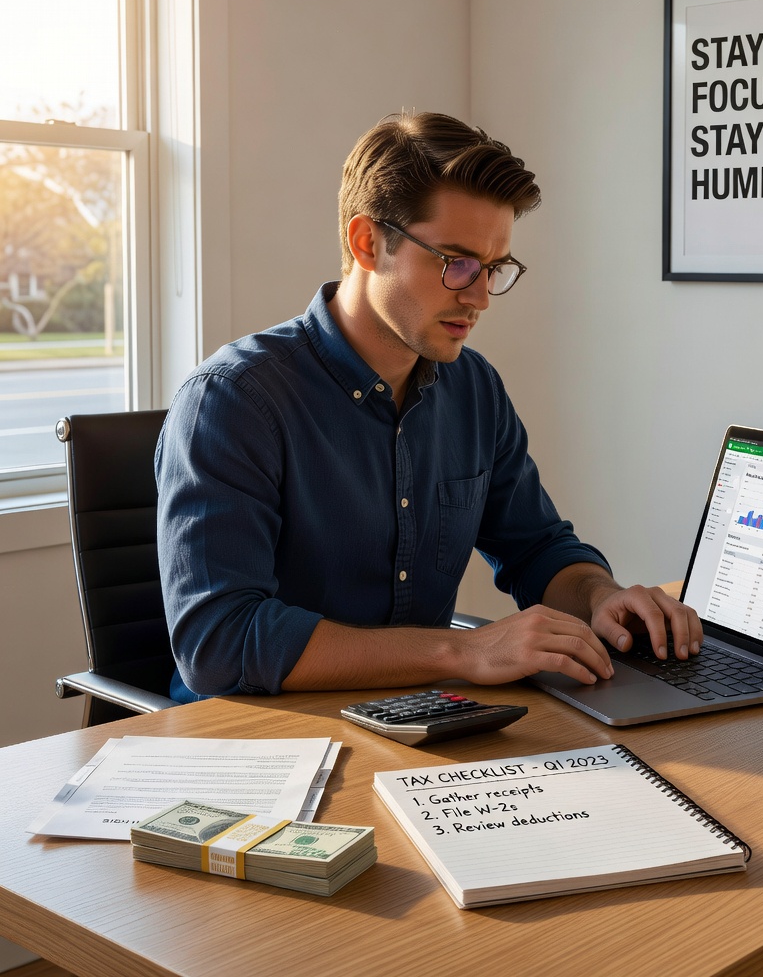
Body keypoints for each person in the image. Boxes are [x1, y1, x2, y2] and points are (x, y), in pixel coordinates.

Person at [156, 111, 702, 702]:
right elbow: (218, 643)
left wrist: (599, 596)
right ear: (367, 243)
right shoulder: (233, 401)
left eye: (494, 269)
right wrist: (462, 651)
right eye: (456, 263)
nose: (480, 297)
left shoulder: (472, 387)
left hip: (422, 723)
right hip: (263, 746)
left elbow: (537, 547)